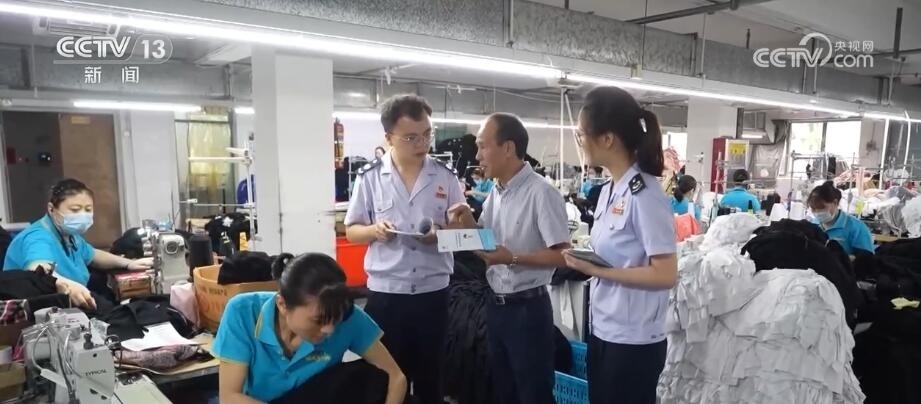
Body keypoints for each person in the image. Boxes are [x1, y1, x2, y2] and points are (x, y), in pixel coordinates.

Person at [558, 86, 678, 404]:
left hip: (634, 342)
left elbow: (665, 274)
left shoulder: (646, 195)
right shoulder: (609, 191)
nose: (580, 141)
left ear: (607, 138)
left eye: (582, 135)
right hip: (605, 331)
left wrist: (597, 270)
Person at [344, 94, 464, 404]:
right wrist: (374, 231)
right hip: (387, 295)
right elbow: (352, 230)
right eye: (411, 137)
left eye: (427, 134)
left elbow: (465, 233)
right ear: (389, 138)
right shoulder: (370, 177)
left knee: (431, 379)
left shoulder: (445, 177)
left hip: (432, 294)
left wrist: (440, 235)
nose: (421, 143)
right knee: (385, 380)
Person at [449, 113, 571, 404]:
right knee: (503, 391)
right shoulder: (497, 192)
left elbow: (563, 255)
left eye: (483, 146)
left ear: (508, 148)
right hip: (497, 306)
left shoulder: (541, 193)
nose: (477, 155)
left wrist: (513, 258)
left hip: (528, 310)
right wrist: (466, 223)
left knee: (533, 394)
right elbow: (487, 242)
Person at [213, 253, 406, 404]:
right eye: (318, 320)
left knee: (366, 378)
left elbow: (396, 377)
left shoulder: (348, 316)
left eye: (335, 319)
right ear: (282, 304)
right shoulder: (243, 312)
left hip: (314, 396)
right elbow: (230, 397)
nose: (329, 329)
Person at [3, 179, 153, 310]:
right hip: (44, 311)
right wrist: (66, 285)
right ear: (51, 209)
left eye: (88, 210)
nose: (82, 215)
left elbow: (92, 255)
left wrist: (129, 264)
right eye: (75, 210)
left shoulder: (68, 234)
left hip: (71, 302)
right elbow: (37, 270)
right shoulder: (37, 238)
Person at [808, 181, 874, 255]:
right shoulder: (813, 225)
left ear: (835, 203)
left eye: (821, 208)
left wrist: (845, 258)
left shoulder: (857, 228)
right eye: (813, 208)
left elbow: (867, 258)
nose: (817, 212)